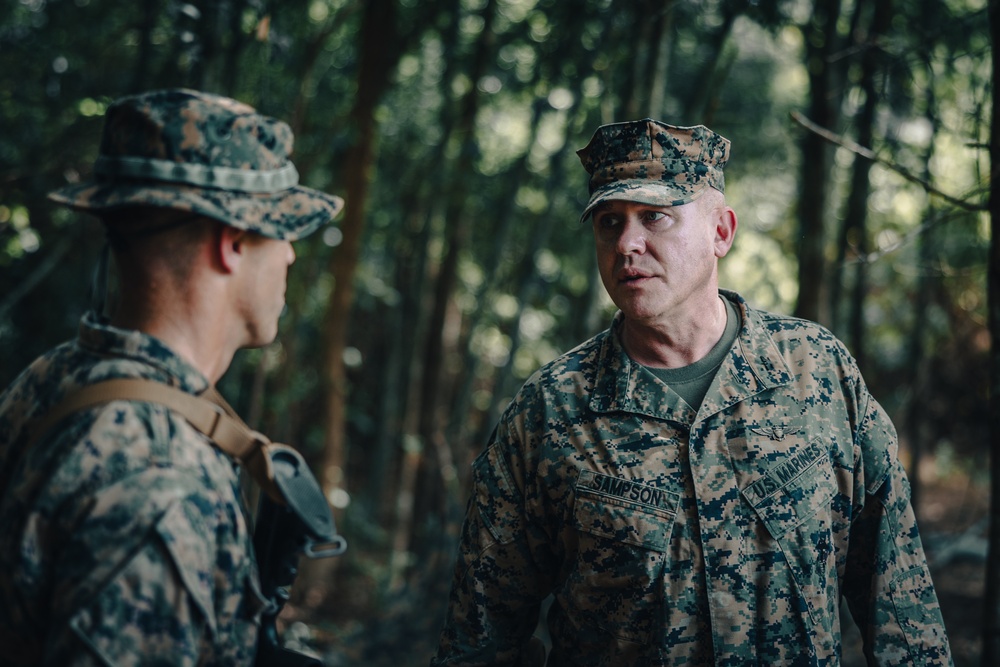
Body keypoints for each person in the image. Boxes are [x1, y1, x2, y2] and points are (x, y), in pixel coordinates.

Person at [431, 119, 953, 666]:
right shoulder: (550, 412)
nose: (627, 243)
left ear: (721, 232)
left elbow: (899, 601)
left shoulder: (816, 372)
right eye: (610, 222)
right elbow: (480, 639)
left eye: (654, 216)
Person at [0, 88, 343, 665]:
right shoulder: (160, 478)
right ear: (231, 242)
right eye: (281, 231)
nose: (289, 255)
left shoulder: (51, 378)